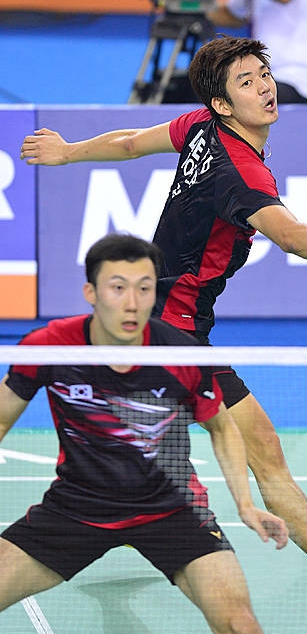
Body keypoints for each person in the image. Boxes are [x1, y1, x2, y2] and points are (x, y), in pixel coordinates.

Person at [19, 35, 307, 617]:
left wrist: (68, 152)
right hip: (169, 335)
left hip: (171, 327)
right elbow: (291, 236)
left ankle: (131, 525)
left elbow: (130, 143)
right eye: (246, 82)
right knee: (253, 451)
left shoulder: (201, 127)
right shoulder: (240, 172)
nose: (264, 87)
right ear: (223, 104)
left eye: (263, 74)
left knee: (157, 460)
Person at [0, 232, 288, 632]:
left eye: (144, 288)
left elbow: (222, 427)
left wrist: (245, 504)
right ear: (91, 292)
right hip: (77, 509)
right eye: (118, 288)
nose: (132, 303)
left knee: (240, 623)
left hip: (173, 510)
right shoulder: (51, 347)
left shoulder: (180, 353)